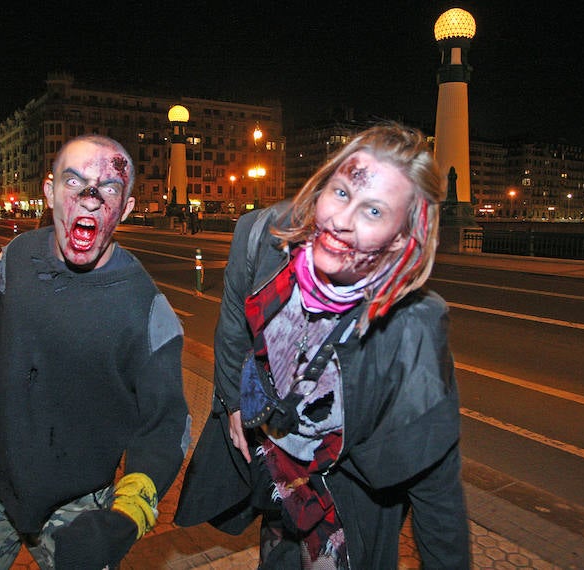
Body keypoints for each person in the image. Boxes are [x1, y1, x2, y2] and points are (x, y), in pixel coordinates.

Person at [176, 124, 470, 568]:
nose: (341, 220)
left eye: (374, 212)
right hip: (277, 469)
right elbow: (235, 316)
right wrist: (233, 401)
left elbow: (437, 487)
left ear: (403, 237)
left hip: (348, 492)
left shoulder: (412, 331)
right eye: (342, 192)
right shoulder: (263, 236)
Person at [0, 134, 190, 569]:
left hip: (77, 504)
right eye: (73, 182)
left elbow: (167, 426)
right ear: (50, 191)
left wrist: (126, 517)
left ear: (127, 209)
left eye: (109, 189)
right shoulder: (17, 256)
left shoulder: (145, 309)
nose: (89, 200)